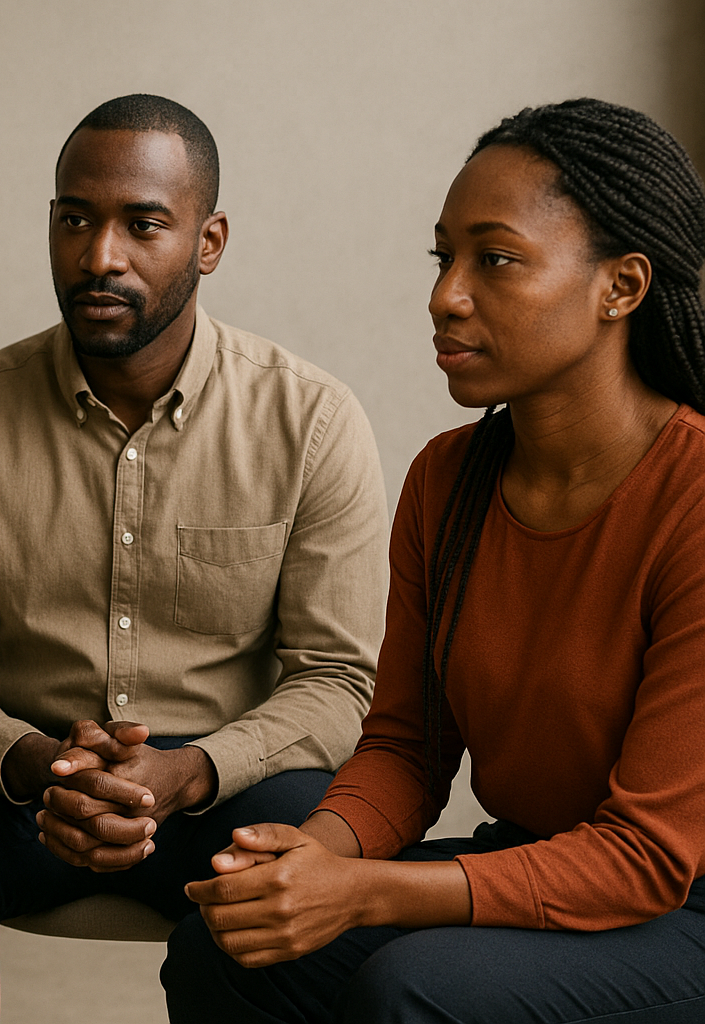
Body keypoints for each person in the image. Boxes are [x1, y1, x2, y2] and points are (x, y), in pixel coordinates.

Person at [176, 98, 705, 1024]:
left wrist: (366, 892)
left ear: (621, 286)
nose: (446, 295)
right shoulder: (447, 479)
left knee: (414, 989)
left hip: (679, 905)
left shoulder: (693, 498)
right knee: (230, 944)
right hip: (531, 859)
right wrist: (316, 857)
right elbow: (408, 749)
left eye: (494, 260)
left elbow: (646, 857)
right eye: (443, 257)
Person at [0, 93, 390, 1019]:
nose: (100, 256)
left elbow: (335, 680)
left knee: (308, 855)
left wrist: (189, 771)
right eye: (75, 219)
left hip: (227, 784)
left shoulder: (311, 422)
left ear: (209, 243)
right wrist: (41, 761)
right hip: (20, 783)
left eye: (143, 224)